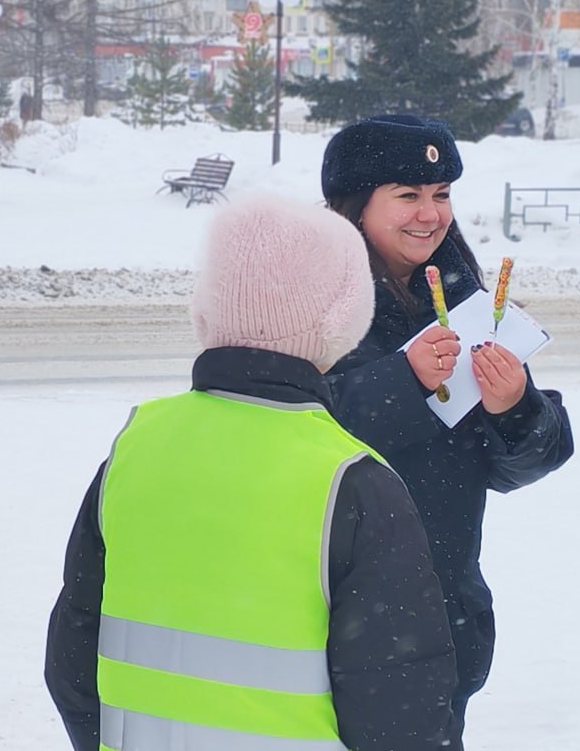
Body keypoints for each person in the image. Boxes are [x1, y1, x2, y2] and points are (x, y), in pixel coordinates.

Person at [44, 194, 461, 751]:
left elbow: (73, 659)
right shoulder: (352, 480)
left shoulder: (136, 447)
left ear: (207, 307)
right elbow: (401, 712)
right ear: (343, 320)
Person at [320, 113, 575, 738]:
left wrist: (515, 405)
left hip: (441, 609)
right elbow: (304, 421)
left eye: (440, 195)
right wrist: (401, 378)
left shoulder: (466, 298)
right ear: (355, 208)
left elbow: (518, 465)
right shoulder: (318, 298)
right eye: (407, 196)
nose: (429, 215)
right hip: (339, 611)